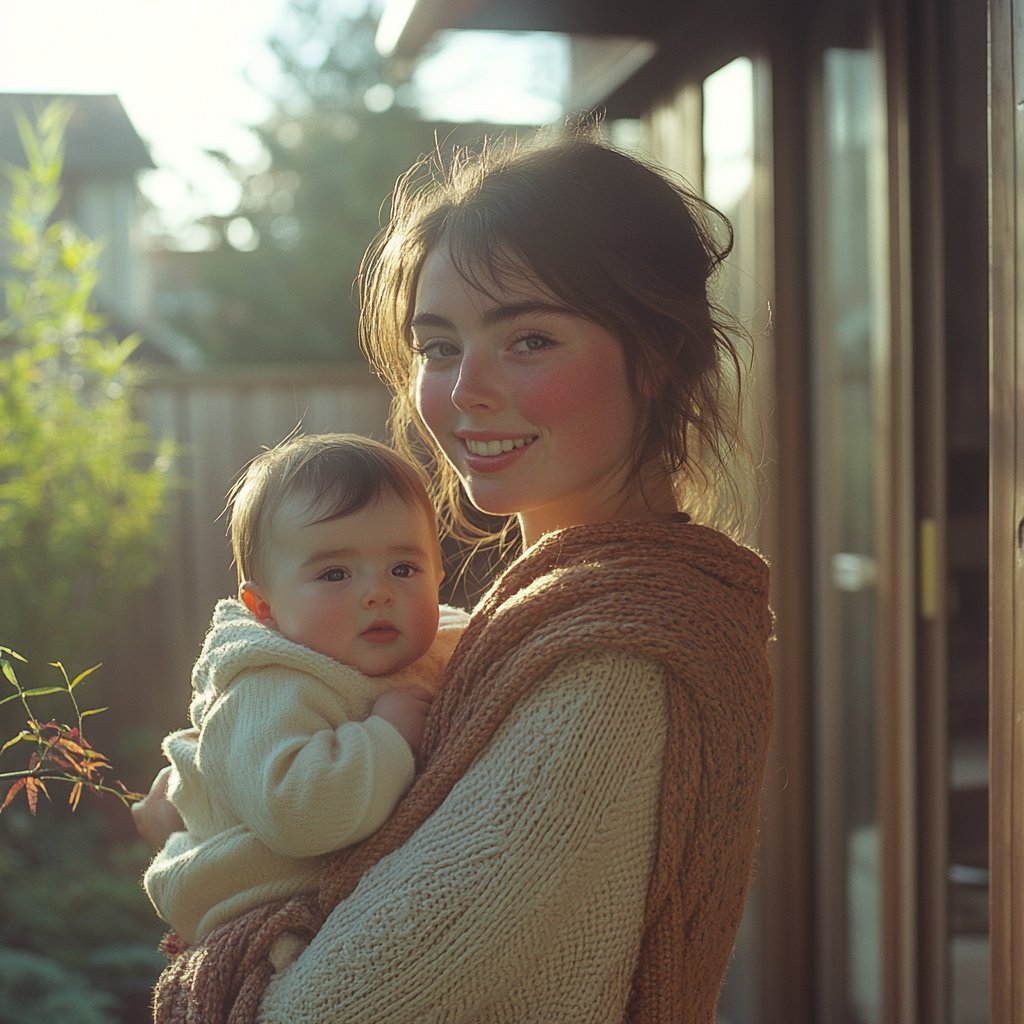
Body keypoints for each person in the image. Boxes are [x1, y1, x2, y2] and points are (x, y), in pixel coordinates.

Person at [138, 124, 775, 1024]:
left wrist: (202, 866)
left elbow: (322, 1011)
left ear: (657, 351)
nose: (466, 388)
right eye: (439, 347)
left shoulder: (614, 663)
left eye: (529, 341)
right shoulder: (513, 626)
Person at [141, 432, 468, 948]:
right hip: (257, 900)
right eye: (335, 573)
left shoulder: (448, 643)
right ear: (264, 607)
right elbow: (298, 816)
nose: (378, 592)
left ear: (438, 575)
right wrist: (386, 734)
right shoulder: (265, 685)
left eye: (404, 569)